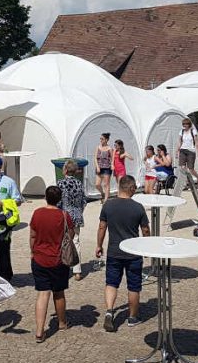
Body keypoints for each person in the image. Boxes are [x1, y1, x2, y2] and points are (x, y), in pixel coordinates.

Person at [97, 175, 150, 331]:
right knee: (133, 285)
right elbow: (145, 230)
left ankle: (109, 311)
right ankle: (132, 317)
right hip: (133, 252)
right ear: (132, 188)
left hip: (114, 251)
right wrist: (147, 246)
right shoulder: (138, 207)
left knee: (111, 283)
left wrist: (99, 245)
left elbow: (102, 227)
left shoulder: (108, 205)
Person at [30, 185, 73, 343]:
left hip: (39, 258)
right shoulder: (63, 215)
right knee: (59, 292)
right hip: (58, 259)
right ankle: (62, 323)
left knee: (43, 293)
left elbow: (33, 236)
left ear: (45, 197)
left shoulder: (37, 213)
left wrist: (32, 252)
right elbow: (71, 234)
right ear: (60, 199)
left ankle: (40, 331)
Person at [57, 160, 87, 280]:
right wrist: (79, 212)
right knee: (76, 241)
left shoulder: (60, 183)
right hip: (77, 215)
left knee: (62, 242)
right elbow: (84, 201)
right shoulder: (79, 184)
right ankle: (77, 271)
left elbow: (58, 202)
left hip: (64, 215)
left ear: (65, 170)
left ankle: (63, 267)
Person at [176, 118, 198, 183]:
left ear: (189, 124)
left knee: (191, 169)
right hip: (182, 150)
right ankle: (187, 181)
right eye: (183, 124)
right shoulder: (181, 131)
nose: (185, 125)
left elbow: (196, 142)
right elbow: (179, 142)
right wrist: (177, 151)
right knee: (182, 167)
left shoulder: (193, 131)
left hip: (191, 151)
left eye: (186, 124)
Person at [94, 133, 113, 204]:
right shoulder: (98, 147)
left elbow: (112, 158)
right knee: (97, 184)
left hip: (107, 168)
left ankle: (106, 199)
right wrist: (97, 167)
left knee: (106, 184)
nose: (101, 140)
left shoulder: (110, 149)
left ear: (106, 140)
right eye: (100, 139)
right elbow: (95, 158)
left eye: (102, 139)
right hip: (99, 168)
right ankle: (102, 193)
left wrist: (112, 165)